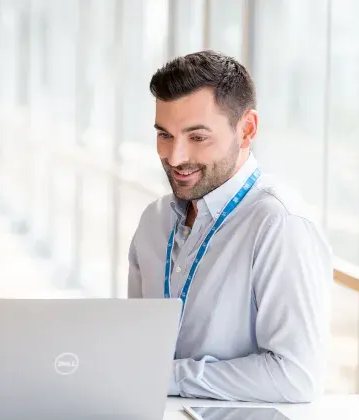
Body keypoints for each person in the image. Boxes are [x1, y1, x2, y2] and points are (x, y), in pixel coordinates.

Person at [127, 50, 332, 403]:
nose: (175, 158)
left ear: (247, 129)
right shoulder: (154, 220)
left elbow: (296, 376)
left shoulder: (279, 224)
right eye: (164, 135)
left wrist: (169, 376)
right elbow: (135, 346)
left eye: (197, 138)